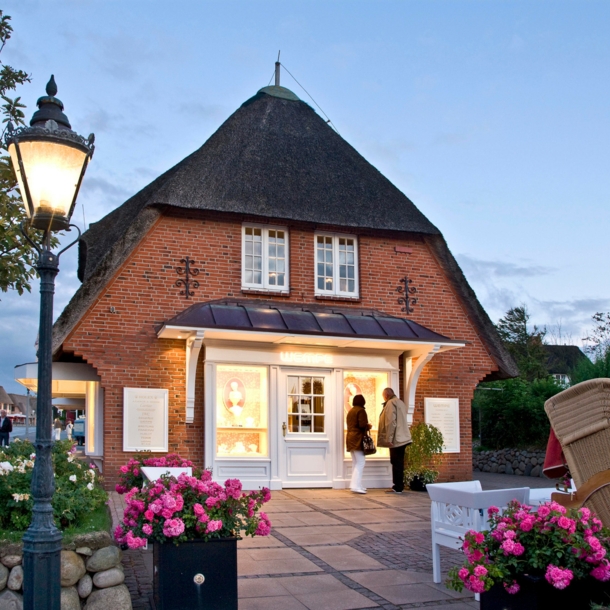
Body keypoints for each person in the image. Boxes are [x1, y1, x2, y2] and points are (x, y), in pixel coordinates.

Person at [377, 387, 412, 493]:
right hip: (404, 438)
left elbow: (391, 422)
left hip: (396, 439)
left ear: (386, 395)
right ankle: (399, 485)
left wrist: (389, 438)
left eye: (383, 396)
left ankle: (397, 487)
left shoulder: (390, 403)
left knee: (396, 462)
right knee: (399, 462)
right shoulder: (400, 402)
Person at [346, 394, 372, 494]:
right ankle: (355, 486)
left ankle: (357, 484)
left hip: (350, 438)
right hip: (357, 438)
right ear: (363, 402)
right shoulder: (361, 410)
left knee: (355, 463)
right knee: (360, 462)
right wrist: (368, 425)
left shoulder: (351, 411)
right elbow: (362, 425)